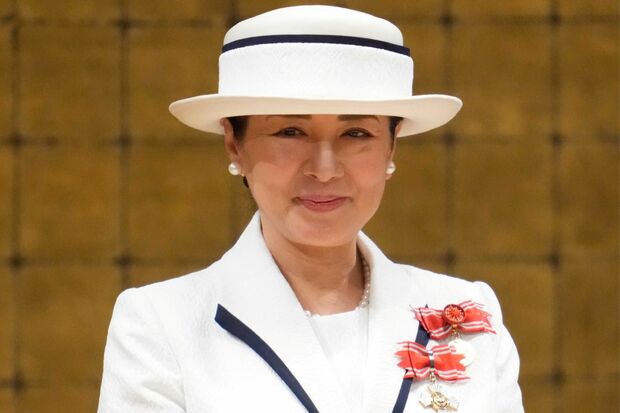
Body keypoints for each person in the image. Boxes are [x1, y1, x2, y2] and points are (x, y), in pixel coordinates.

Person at [97, 5, 523, 413]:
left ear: (392, 147)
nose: (324, 169)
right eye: (290, 131)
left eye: (356, 133)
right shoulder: (161, 325)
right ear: (234, 144)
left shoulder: (466, 313)